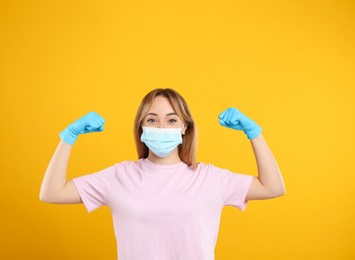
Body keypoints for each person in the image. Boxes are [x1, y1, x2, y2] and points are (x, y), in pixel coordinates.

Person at [39, 88, 285, 260]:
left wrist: (254, 133)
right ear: (141, 127)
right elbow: (52, 192)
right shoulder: (119, 176)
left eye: (171, 120)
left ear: (184, 128)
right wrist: (68, 137)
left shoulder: (210, 178)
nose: (161, 127)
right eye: (152, 120)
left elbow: (272, 188)